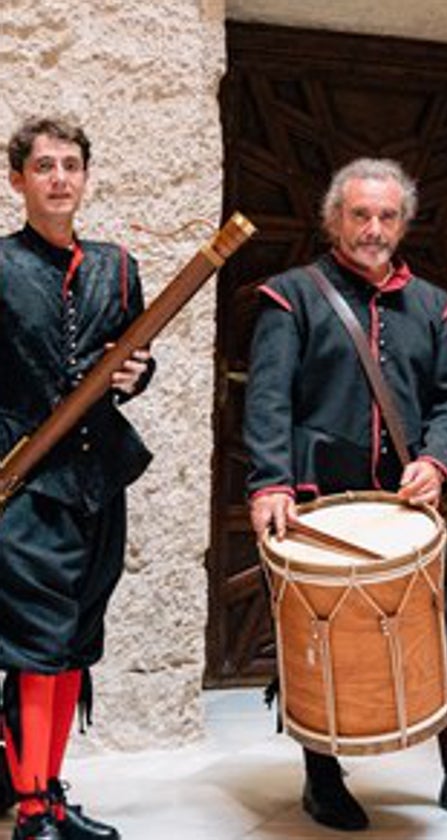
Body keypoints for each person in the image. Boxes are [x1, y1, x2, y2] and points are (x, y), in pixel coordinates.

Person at [243, 158, 447, 831]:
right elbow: (268, 398)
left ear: (403, 223)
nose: (374, 228)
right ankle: (322, 777)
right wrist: (269, 480)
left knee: (437, 633)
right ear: (334, 219)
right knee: (315, 635)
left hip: (402, 504)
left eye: (387, 216)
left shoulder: (433, 305)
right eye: (360, 214)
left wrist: (438, 462)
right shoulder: (290, 296)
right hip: (315, 494)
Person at [1, 117, 155, 840]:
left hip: (99, 480)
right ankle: (31, 810)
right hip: (23, 485)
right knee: (36, 643)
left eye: (71, 165)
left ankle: (49, 792)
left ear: (86, 177)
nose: (59, 177)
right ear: (18, 180)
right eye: (44, 166)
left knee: (73, 643)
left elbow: (132, 362)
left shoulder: (117, 265)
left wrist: (135, 373)